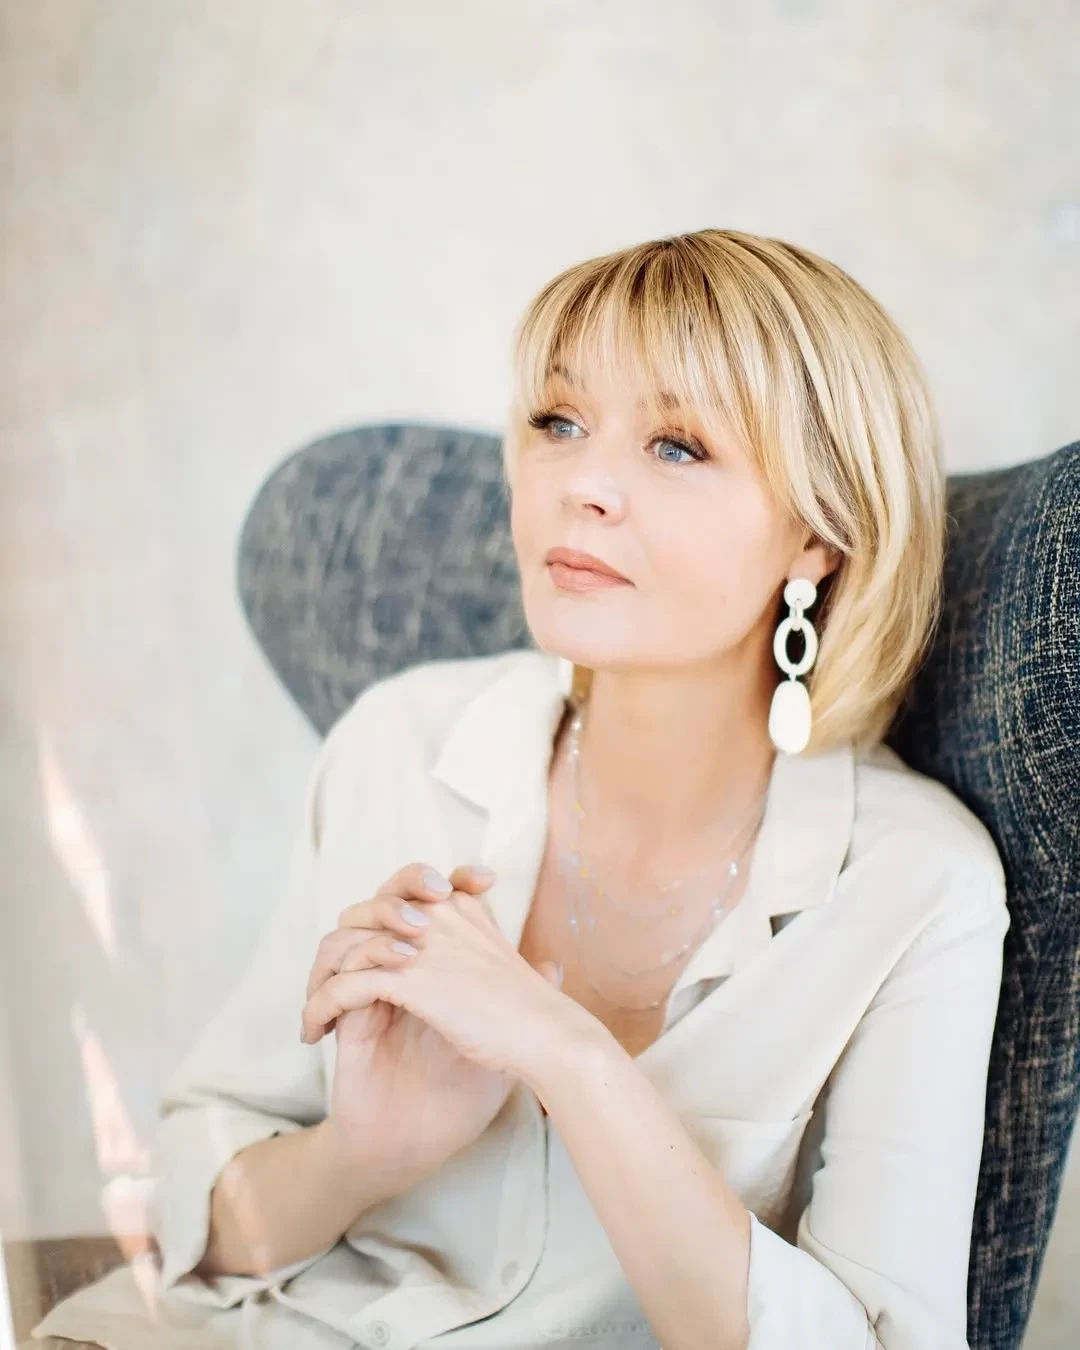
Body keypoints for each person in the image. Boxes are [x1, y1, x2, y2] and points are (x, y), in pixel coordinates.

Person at [35, 229, 1009, 1350]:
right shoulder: (400, 741)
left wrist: (569, 1056)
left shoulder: (917, 888)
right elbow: (198, 1217)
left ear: (817, 540)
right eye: (558, 422)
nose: (580, 485)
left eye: (677, 445)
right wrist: (362, 1155)